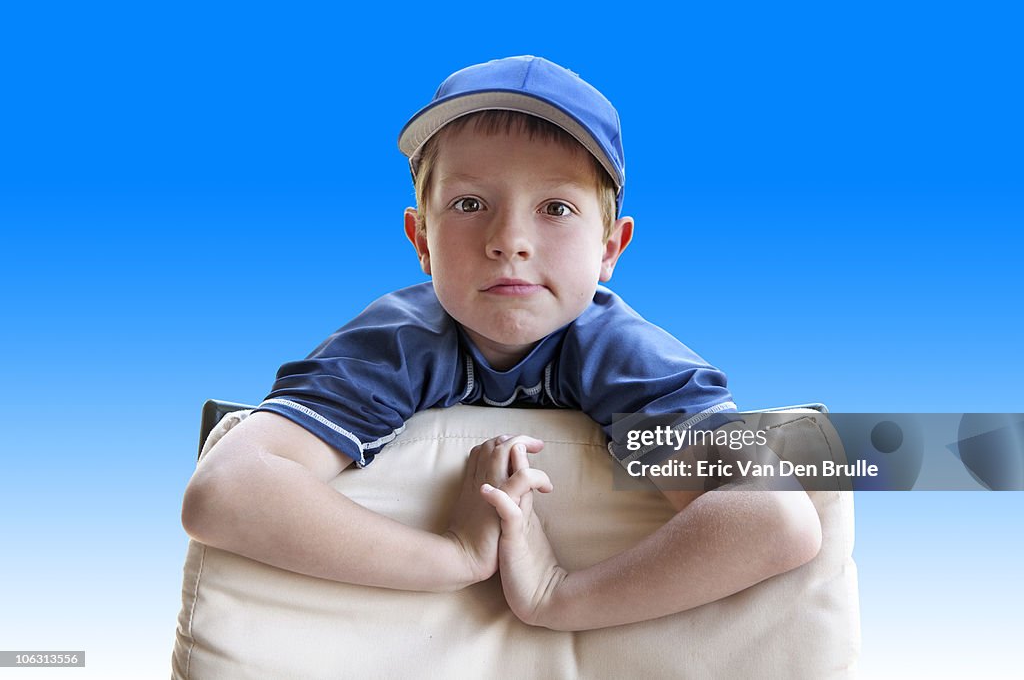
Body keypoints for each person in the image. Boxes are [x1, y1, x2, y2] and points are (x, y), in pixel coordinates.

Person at [181, 55, 821, 629]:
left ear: (609, 248)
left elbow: (776, 517)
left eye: (556, 208)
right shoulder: (394, 344)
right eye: (468, 204)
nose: (508, 239)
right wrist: (454, 554)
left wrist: (557, 595)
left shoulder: (630, 358)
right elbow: (222, 491)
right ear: (421, 240)